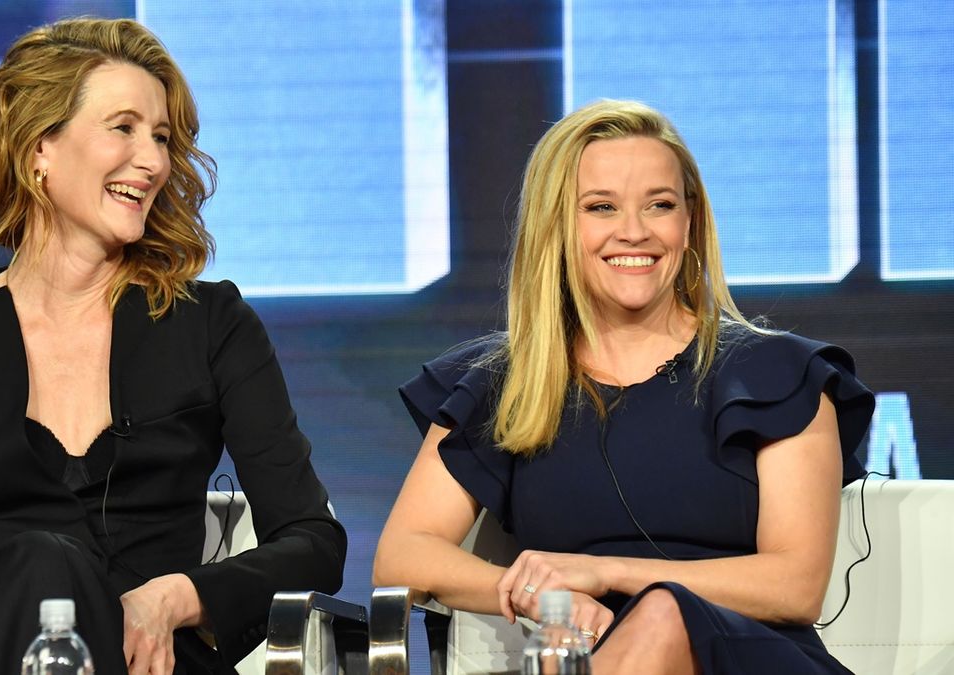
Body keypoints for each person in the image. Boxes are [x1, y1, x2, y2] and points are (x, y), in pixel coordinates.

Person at [0, 17, 345, 675]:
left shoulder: (212, 325)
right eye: (124, 128)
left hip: (148, 660)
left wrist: (179, 595)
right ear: (39, 150)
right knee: (39, 568)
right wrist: (46, 589)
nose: (153, 160)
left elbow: (314, 539)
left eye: (162, 137)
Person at [373, 99, 874, 674]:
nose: (634, 232)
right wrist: (546, 594)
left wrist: (606, 572)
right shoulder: (503, 384)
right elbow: (402, 555)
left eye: (659, 205)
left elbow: (795, 585)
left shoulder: (780, 372)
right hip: (591, 658)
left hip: (756, 658)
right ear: (558, 227)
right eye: (602, 207)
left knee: (663, 613)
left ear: (690, 224)